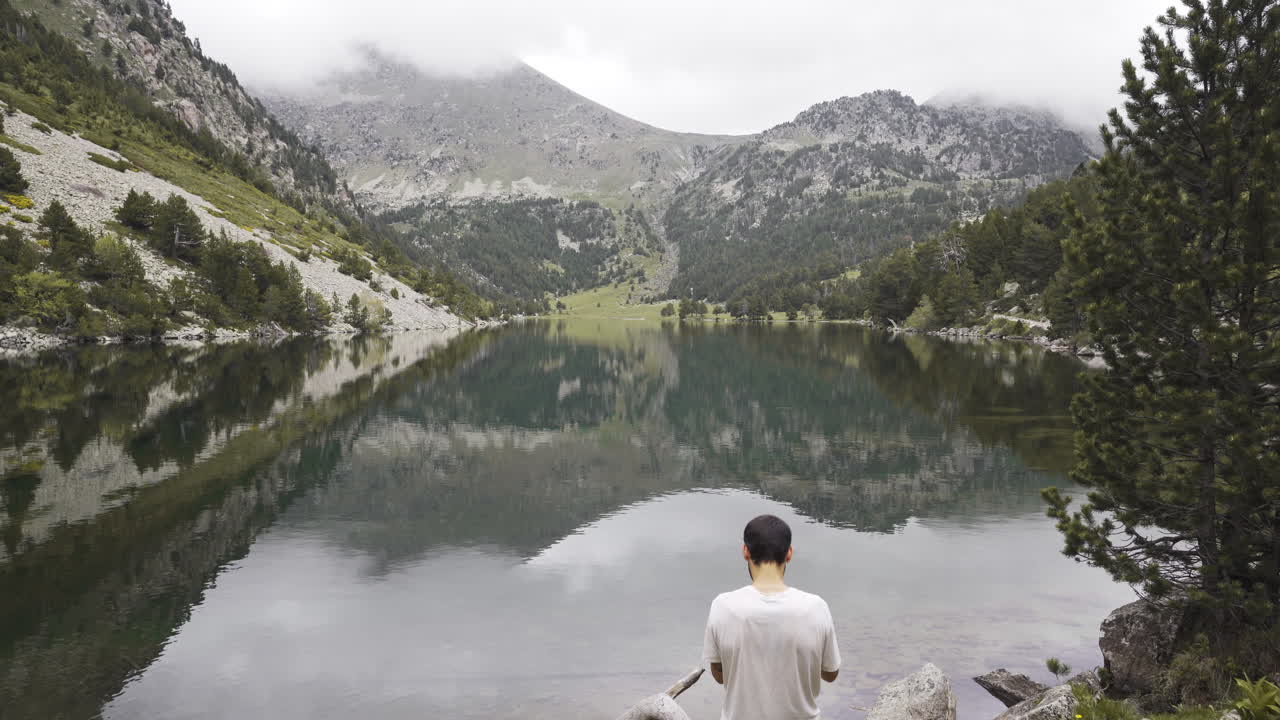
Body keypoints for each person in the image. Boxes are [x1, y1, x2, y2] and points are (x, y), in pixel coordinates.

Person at [702, 514, 841, 720]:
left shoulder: (723, 606)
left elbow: (719, 675)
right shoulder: (815, 607)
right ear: (789, 553)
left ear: (745, 551)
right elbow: (831, 673)